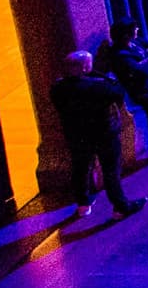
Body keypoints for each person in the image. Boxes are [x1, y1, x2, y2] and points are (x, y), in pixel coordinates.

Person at [53, 46, 140, 219]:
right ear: (85, 68)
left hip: (77, 136)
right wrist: (103, 77)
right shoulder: (97, 85)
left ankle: (83, 204)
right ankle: (120, 206)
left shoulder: (57, 88)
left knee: (81, 168)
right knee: (110, 170)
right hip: (104, 134)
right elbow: (118, 93)